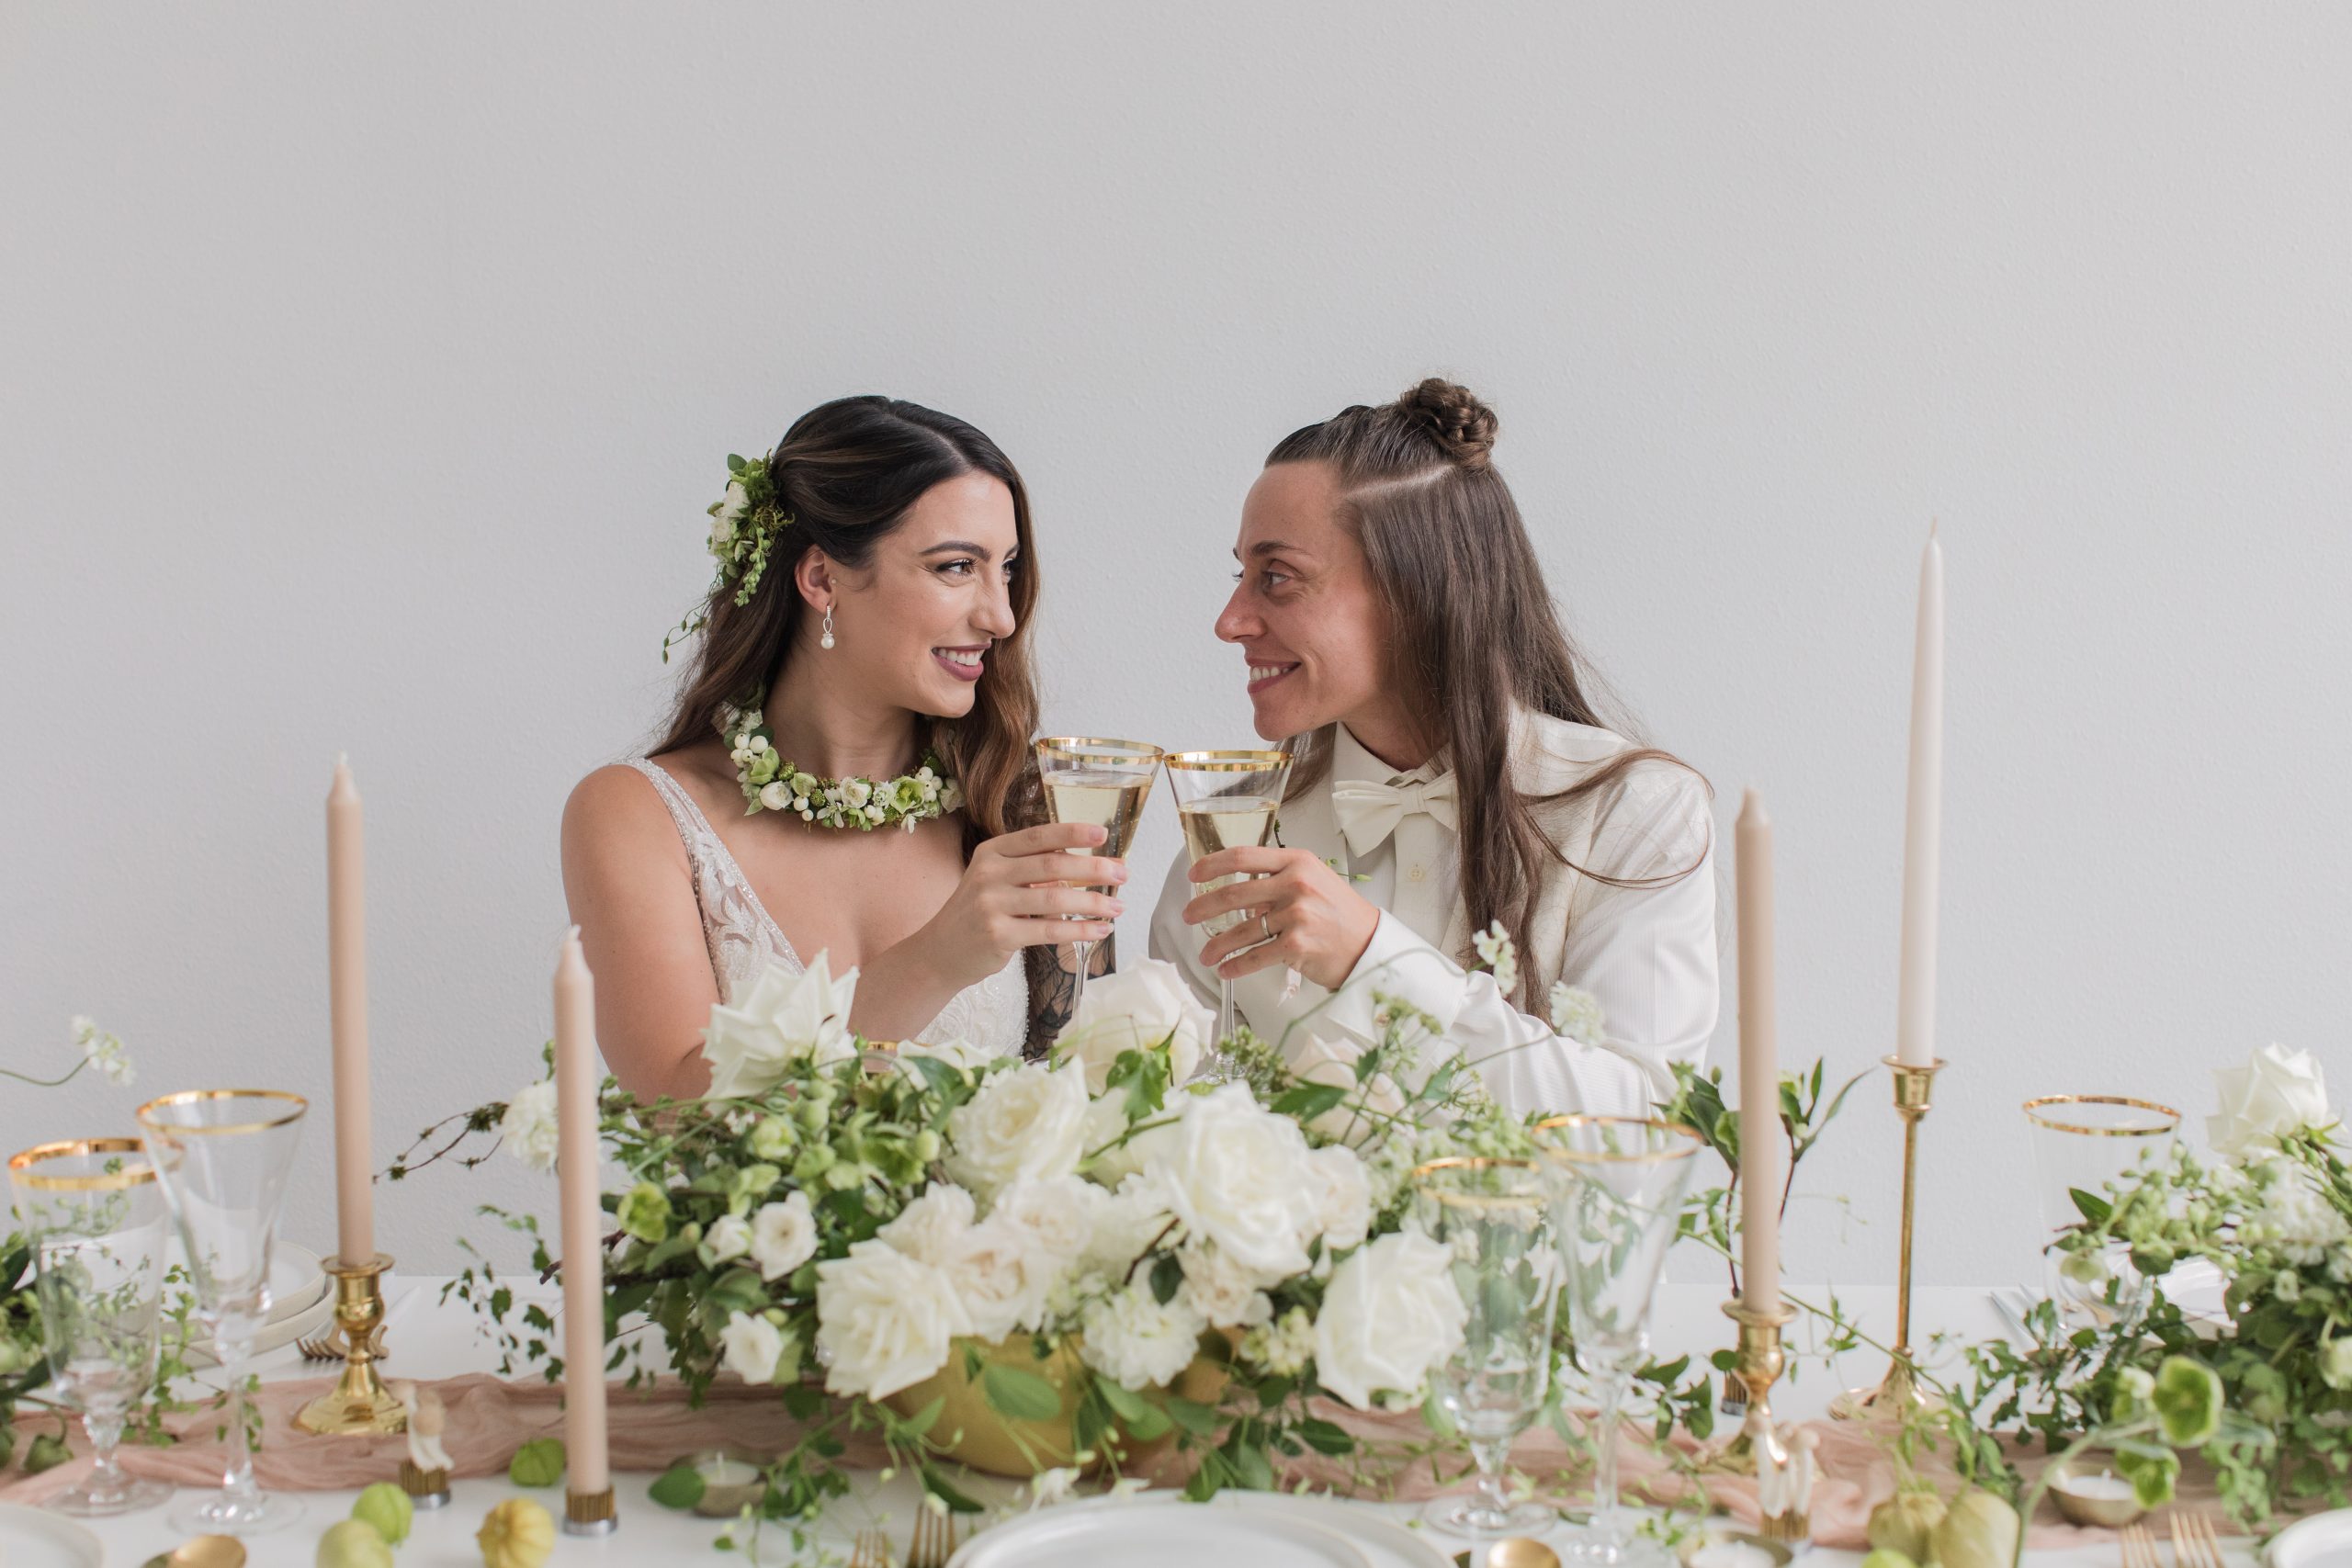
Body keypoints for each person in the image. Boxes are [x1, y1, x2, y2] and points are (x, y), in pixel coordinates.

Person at [1149, 379, 1717, 1116]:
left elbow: (1638, 1138)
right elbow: (1159, 1134)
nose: (1230, 622)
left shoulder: (1635, 814)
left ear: (1415, 593)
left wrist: (1371, 959)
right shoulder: (1225, 842)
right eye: (1241, 575)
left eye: (1277, 578)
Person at [564, 396, 1120, 1100]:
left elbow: (1091, 1103)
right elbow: (683, 1119)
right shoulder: (638, 815)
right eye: (956, 567)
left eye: (1006, 568)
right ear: (822, 578)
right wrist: (934, 961)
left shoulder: (1021, 800)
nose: (1001, 615)